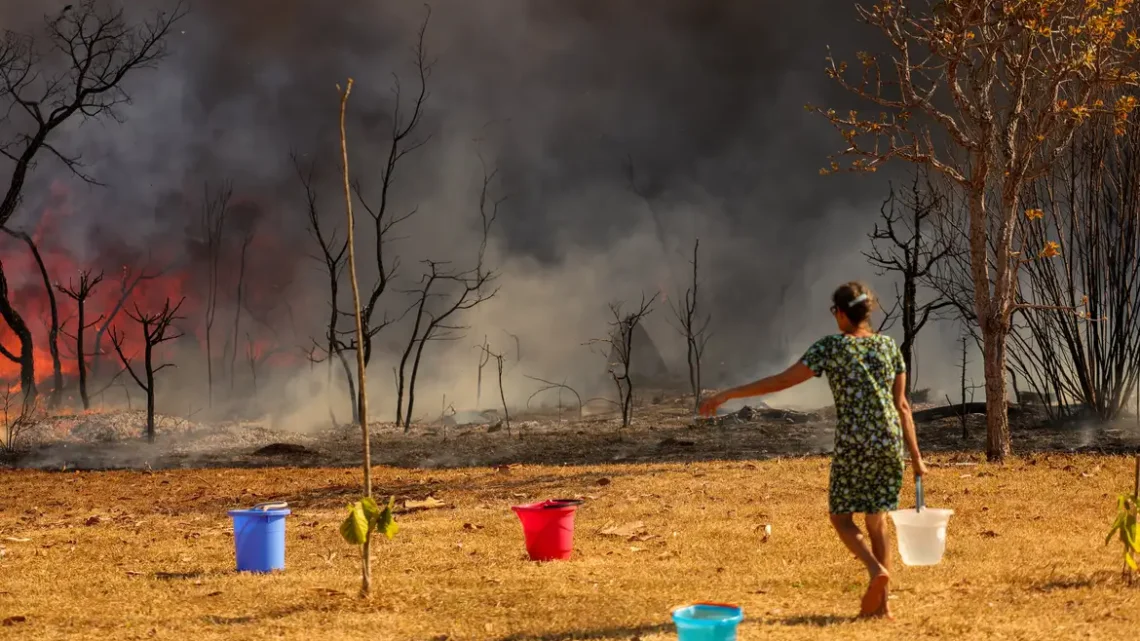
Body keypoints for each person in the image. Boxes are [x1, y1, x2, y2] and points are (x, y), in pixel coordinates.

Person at [699, 281, 927, 620]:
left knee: (841, 518)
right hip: (889, 441)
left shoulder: (831, 347)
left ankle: (876, 570)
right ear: (867, 311)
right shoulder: (888, 347)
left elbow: (781, 381)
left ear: (839, 313)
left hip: (854, 442)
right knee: (877, 520)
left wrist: (729, 394)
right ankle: (883, 609)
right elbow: (903, 406)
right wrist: (917, 457)